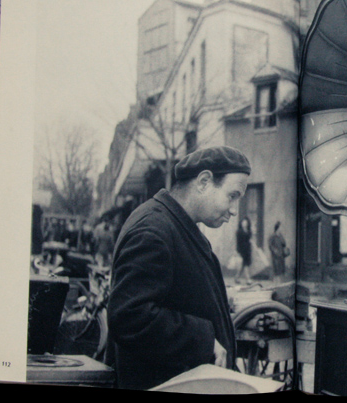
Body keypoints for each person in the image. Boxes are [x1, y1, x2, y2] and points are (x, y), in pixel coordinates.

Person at [107, 146, 251, 390]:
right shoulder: (154, 230)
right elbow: (130, 316)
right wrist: (204, 341)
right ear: (204, 181)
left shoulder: (173, 225)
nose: (235, 210)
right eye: (232, 195)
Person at [235, 217, 253, 285]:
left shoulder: (248, 231)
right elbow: (238, 242)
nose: (244, 224)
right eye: (243, 223)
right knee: (245, 265)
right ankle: (248, 279)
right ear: (241, 223)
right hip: (242, 249)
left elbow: (250, 239)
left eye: (246, 223)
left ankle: (236, 277)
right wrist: (238, 251)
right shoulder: (239, 231)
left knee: (243, 265)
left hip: (248, 249)